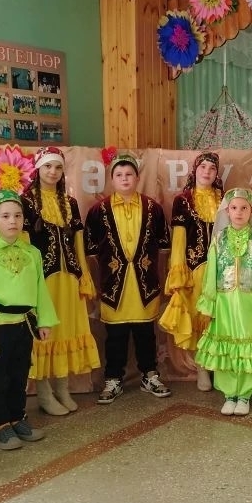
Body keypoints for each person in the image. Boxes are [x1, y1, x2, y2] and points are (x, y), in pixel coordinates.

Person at [0, 190, 58, 450]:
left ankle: (18, 417)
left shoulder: (32, 253)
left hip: (24, 323)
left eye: (17, 215)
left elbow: (40, 289)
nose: (12, 221)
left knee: (19, 372)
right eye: (5, 216)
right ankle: (1, 424)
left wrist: (44, 321)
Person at [85, 151, 172, 404]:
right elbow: (91, 251)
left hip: (144, 283)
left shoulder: (153, 208)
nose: (124, 178)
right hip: (114, 284)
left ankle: (149, 375)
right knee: (115, 335)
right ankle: (113, 378)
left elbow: (164, 247)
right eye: (119, 174)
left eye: (129, 174)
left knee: (146, 333)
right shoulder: (98, 211)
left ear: (137, 177)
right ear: (112, 179)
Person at [21, 147, 100, 416]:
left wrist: (83, 275)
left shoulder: (70, 203)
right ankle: (44, 393)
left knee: (66, 330)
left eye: (57, 167)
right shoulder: (26, 202)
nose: (53, 172)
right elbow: (24, 245)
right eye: (47, 166)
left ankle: (63, 388)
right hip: (43, 280)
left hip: (69, 278)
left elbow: (78, 242)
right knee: (45, 332)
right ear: (37, 169)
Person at [194, 188, 252, 416]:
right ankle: (229, 393)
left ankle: (244, 395)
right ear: (227, 211)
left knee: (247, 345)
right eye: (234, 208)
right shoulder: (219, 238)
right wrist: (209, 304)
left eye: (244, 208)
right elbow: (211, 272)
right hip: (224, 303)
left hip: (250, 302)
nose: (239, 212)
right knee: (227, 345)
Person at [159, 152, 224, 391]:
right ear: (195, 170)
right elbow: (179, 239)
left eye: (212, 168)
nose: (207, 172)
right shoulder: (183, 200)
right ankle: (203, 370)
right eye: (203, 167)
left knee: (219, 318)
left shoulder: (225, 198)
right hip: (195, 270)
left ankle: (220, 368)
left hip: (222, 271)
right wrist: (179, 271)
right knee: (199, 318)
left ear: (217, 174)